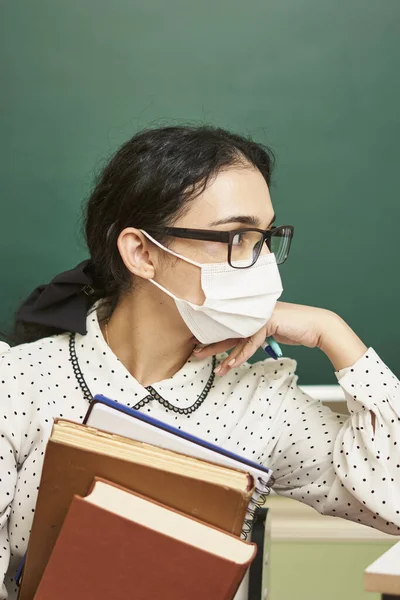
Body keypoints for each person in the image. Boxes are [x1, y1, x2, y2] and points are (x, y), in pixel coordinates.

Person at [1, 125, 399, 599]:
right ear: (143, 252)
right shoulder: (21, 381)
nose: (261, 262)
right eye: (236, 236)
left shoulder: (262, 400)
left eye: (265, 239)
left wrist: (334, 334)